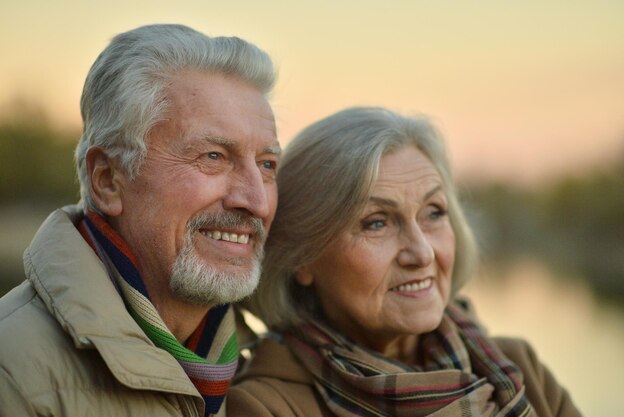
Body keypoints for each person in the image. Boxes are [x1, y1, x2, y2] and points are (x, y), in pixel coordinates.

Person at [0, 24, 280, 416]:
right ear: (108, 181)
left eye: (267, 165)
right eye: (213, 157)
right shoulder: (12, 373)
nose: (255, 200)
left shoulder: (258, 371)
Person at [228, 107, 582, 416]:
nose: (423, 253)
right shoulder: (264, 407)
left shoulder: (518, 368)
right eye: (376, 222)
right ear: (302, 257)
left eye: (434, 213)